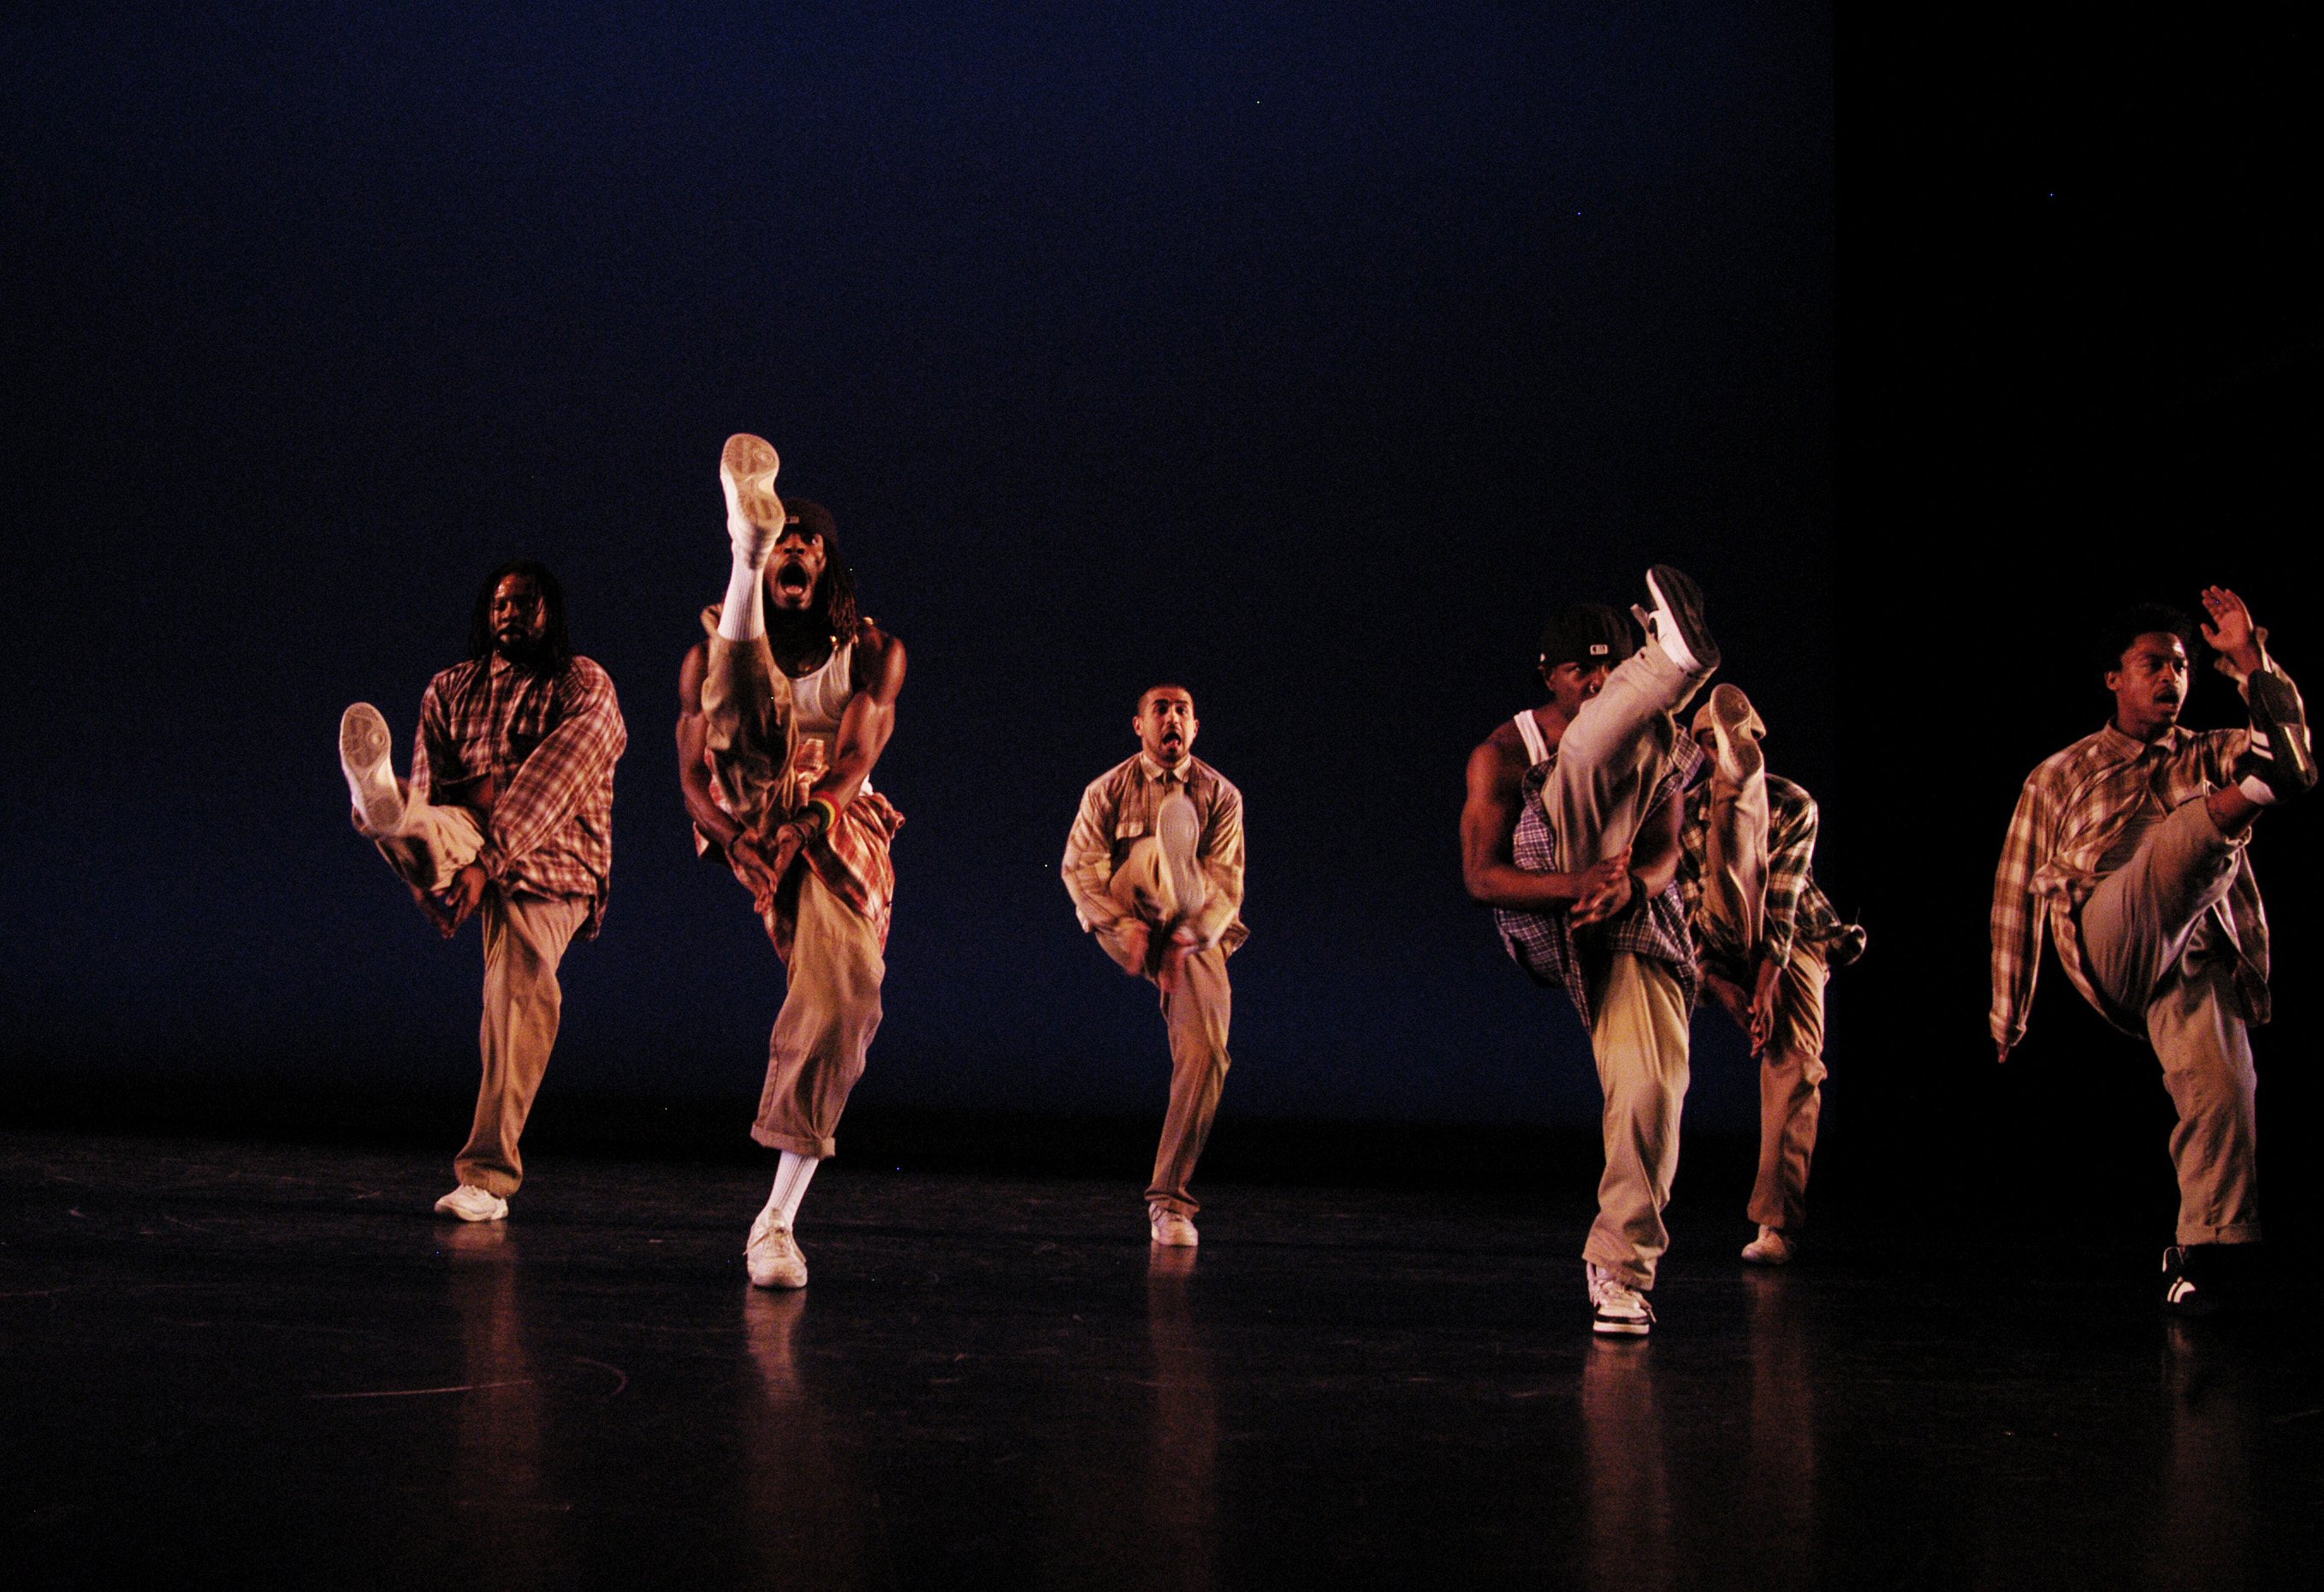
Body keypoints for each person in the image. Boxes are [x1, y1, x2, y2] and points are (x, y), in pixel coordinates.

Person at [1992, 586, 2310, 1316]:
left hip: (2194, 948)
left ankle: (2200, 1254)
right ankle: (2246, 801)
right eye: (2153, 665)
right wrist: (2008, 1010)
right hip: (2113, 933)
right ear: (2114, 678)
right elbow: (2014, 888)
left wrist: (2250, 660)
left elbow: (2295, 751)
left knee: (2225, 1089)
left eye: (2181, 667)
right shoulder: (2060, 772)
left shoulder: (2210, 749)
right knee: (2180, 837)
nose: (2171, 677)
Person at [1461, 567, 1718, 1336]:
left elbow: (1667, 849)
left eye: (1613, 668)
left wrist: (1631, 887)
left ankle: (1620, 1270)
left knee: (1652, 1092)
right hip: (1551, 916)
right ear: (1549, 673)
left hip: (1631, 916)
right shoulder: (1504, 751)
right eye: (1583, 671)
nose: (1597, 682)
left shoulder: (1651, 743)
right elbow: (1481, 878)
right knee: (1582, 756)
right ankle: (1674, 666)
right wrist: (1579, 885)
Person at [677, 434, 906, 1290]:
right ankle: (737, 557)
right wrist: (733, 835)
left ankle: (776, 1220)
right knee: (748, 712)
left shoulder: (872, 652)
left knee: (845, 997)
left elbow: (854, 760)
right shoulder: (702, 657)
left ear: (828, 568)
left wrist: (808, 819)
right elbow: (694, 775)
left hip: (834, 823)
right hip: (751, 797)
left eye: (805, 541)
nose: (798, 550)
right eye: (783, 540)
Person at [337, 560, 628, 1221]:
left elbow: (556, 778)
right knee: (417, 818)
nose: (510, 613)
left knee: (515, 995)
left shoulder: (583, 683)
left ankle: (488, 1180)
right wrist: (422, 875)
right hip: (470, 836)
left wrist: (488, 860)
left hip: (555, 859)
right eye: (500, 604)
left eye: (525, 603)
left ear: (550, 612)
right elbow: (437, 794)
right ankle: (378, 802)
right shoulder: (451, 690)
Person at [1675, 684, 1865, 1267]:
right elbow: (1688, 911)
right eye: (1709, 744)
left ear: (1754, 739)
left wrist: (1766, 984)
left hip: (1792, 933)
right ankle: (1736, 800)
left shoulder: (1796, 804)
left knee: (1798, 1063)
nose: (1713, 751)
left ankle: (1775, 1225)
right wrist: (1716, 981)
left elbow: (1783, 899)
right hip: (1721, 931)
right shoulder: (1682, 817)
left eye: (1727, 743)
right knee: (1723, 865)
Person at [1063, 686, 1248, 1247]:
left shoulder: (1221, 794)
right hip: (1127, 913)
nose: (1172, 717)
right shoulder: (1107, 790)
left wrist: (1190, 935)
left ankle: (1169, 1203)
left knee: (1207, 1052)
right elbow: (1079, 868)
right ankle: (1164, 877)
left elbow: (1227, 885)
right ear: (1139, 725)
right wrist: (1121, 925)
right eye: (1160, 709)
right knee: (1146, 857)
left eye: (1182, 710)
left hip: (1193, 930)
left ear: (1195, 728)